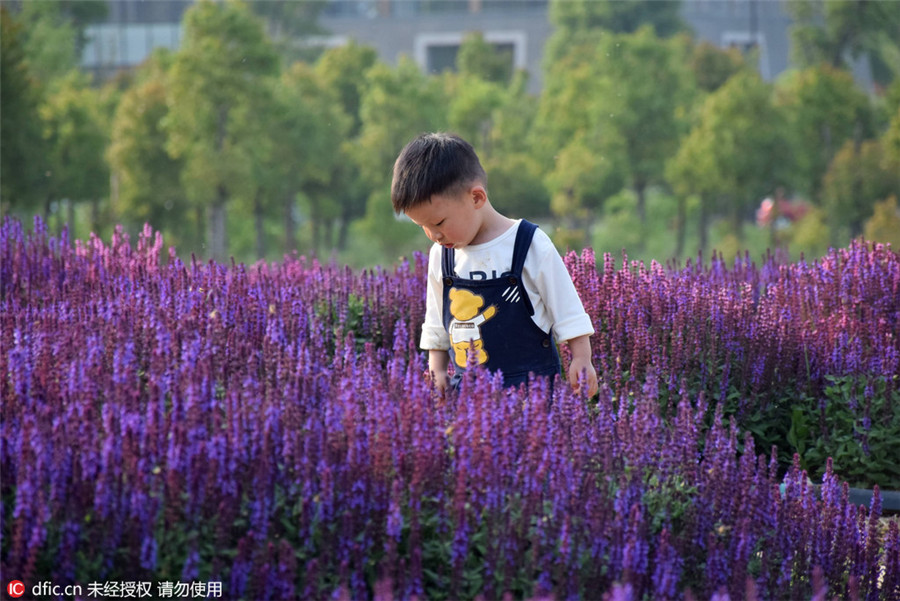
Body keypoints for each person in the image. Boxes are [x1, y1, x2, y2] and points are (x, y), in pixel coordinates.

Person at [391, 132, 599, 397]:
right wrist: (437, 370)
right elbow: (436, 322)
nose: (434, 235)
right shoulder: (441, 256)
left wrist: (582, 358)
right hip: (467, 392)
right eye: (423, 226)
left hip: (530, 391)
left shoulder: (529, 243)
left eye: (439, 223)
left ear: (476, 198)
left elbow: (567, 310)